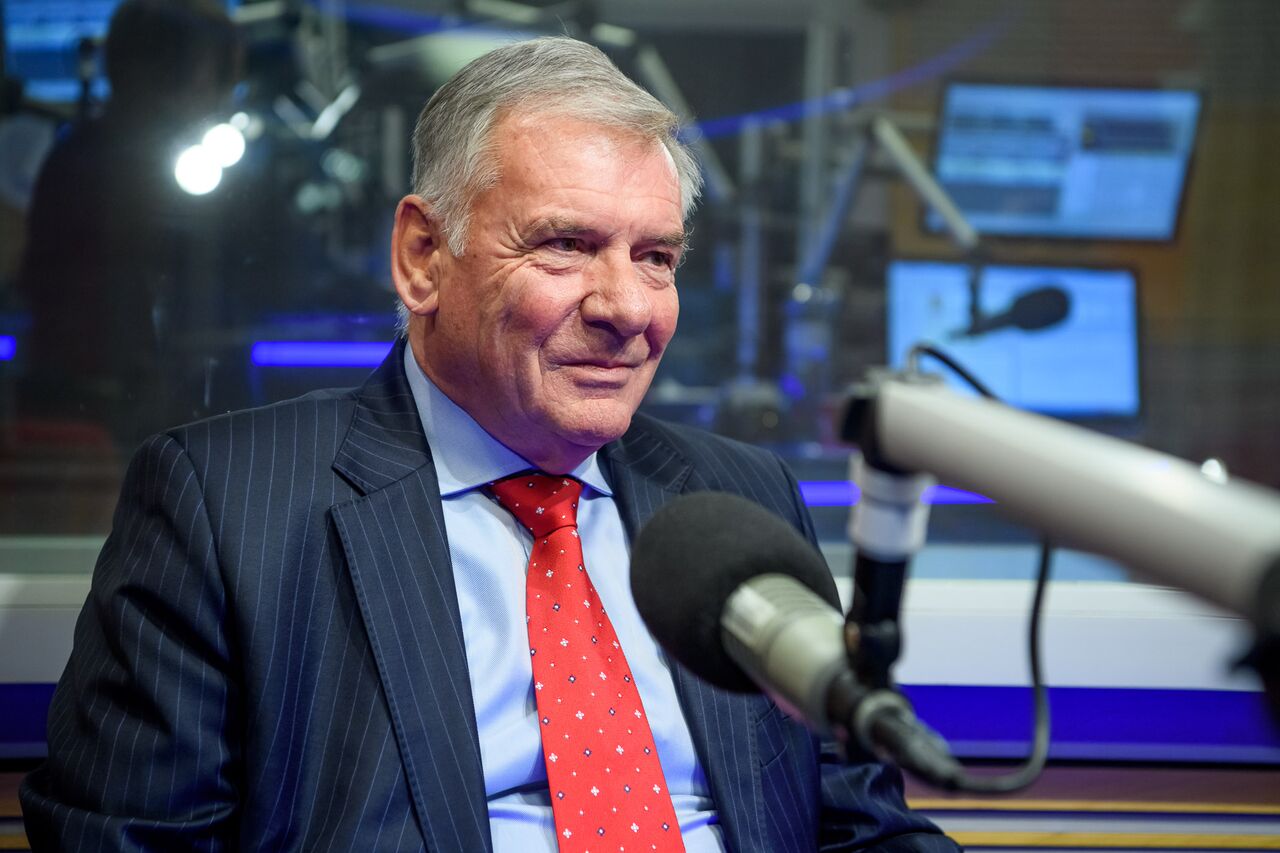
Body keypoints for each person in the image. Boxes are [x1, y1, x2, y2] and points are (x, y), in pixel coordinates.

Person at [21, 37, 959, 851]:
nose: (627, 308)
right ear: (423, 258)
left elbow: (860, 824)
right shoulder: (225, 506)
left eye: (656, 257)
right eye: (566, 245)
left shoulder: (739, 504)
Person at [15, 0, 241, 450]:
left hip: (107, 405)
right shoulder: (107, 161)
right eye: (210, 71)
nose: (220, 92)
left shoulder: (82, 152)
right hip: (100, 412)